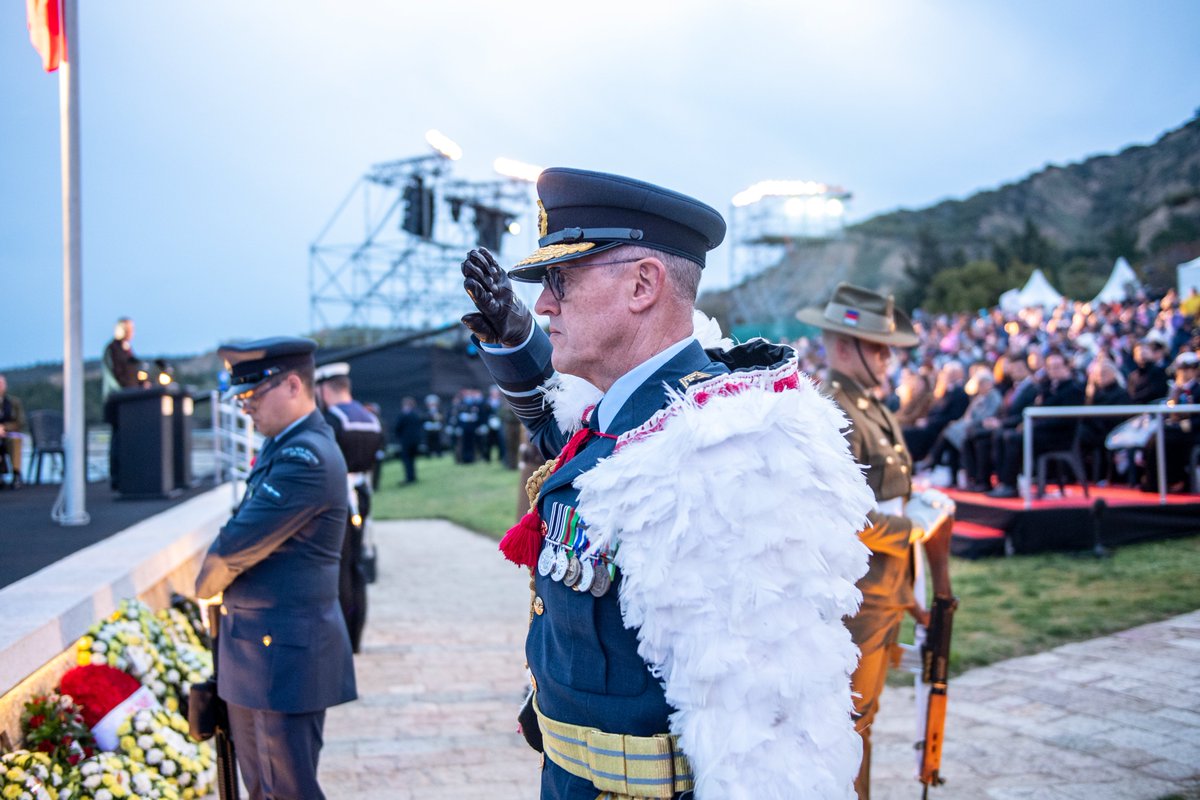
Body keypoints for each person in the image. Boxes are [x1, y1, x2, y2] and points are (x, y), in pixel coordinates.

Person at [460, 167, 875, 799]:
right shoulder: (643, 413)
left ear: (643, 284)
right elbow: (573, 442)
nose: (543, 305)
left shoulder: (727, 451)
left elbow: (767, 726)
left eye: (560, 281)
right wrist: (518, 342)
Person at [797, 283, 956, 800]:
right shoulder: (835, 407)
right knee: (848, 731)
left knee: (861, 725)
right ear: (845, 346)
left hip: (884, 595)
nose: (889, 358)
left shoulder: (869, 405)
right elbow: (846, 516)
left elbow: (887, 494)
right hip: (858, 603)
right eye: (879, 347)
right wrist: (913, 529)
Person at [194, 337, 356, 800]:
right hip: (265, 651)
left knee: (284, 790)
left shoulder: (303, 457)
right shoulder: (284, 445)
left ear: (292, 385)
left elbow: (231, 548)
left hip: (278, 657)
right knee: (265, 787)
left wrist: (205, 585)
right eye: (240, 397)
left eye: (252, 394)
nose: (245, 406)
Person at [314, 362, 384, 654]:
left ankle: (342, 636)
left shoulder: (331, 420)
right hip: (361, 495)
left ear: (324, 389)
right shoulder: (369, 418)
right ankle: (355, 634)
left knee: (339, 566)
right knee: (356, 565)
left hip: (336, 497)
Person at [987, 350, 1086, 498]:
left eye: (1057, 367)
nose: (1053, 371)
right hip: (1041, 431)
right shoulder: (1048, 387)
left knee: (1013, 438)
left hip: (1058, 436)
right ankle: (1003, 482)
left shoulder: (1073, 389)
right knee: (1002, 435)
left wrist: (1032, 426)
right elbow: (1038, 409)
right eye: (1050, 368)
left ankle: (1009, 485)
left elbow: (1064, 420)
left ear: (1066, 367)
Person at [101, 317, 145, 400]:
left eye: (132, 329)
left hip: (132, 395)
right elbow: (114, 374)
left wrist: (141, 384)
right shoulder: (112, 349)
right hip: (119, 398)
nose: (131, 332)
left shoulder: (127, 349)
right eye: (128, 329)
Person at [0, 374, 27, 488]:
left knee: (16, 440)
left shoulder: (14, 402)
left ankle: (16, 474)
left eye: (2, 384)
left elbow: (20, 421)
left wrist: (4, 428)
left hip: (9, 434)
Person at [392, 395, 424, 484]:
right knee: (412, 459)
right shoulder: (417, 414)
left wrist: (398, 436)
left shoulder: (404, 415)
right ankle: (413, 476)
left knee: (407, 459)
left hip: (406, 441)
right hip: (416, 440)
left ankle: (409, 478)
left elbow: (398, 427)